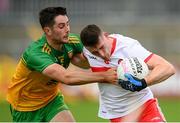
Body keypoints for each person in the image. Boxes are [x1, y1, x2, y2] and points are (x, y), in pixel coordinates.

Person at [6, 7, 118, 122]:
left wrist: (102, 50)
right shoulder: (36, 53)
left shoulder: (71, 41)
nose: (67, 29)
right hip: (24, 106)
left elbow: (86, 63)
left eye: (67, 24)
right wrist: (105, 76)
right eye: (61, 26)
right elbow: (66, 77)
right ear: (47, 31)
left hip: (51, 100)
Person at [80, 24, 175, 122]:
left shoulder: (127, 47)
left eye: (102, 47)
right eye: (95, 52)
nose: (102, 54)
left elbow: (167, 67)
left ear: (105, 35)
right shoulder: (86, 52)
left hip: (144, 107)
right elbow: (76, 61)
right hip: (117, 115)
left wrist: (143, 82)